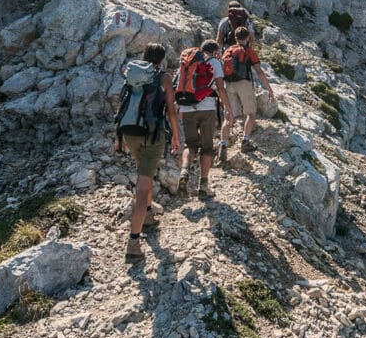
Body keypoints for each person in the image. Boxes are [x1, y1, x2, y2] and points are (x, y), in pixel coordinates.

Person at [114, 42, 180, 261]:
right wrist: (177, 136)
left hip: (130, 132)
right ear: (161, 59)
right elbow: (171, 109)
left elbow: (122, 104)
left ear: (144, 55)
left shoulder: (132, 75)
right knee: (143, 186)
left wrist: (119, 137)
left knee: (145, 173)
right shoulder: (164, 78)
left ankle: (149, 215)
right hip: (153, 135)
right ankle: (133, 243)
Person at [175, 40, 233, 199]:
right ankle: (204, 185)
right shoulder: (214, 62)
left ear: (201, 49)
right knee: (207, 146)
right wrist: (228, 108)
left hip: (186, 107)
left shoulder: (187, 61)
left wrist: (180, 107)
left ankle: (184, 170)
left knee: (190, 144)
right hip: (207, 107)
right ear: (215, 52)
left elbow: (179, 85)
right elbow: (220, 88)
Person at [217, 27, 275, 162]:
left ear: (235, 38)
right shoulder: (249, 51)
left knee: (229, 117)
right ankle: (245, 142)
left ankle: (223, 145)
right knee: (251, 114)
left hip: (228, 84)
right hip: (244, 84)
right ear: (248, 38)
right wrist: (269, 90)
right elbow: (259, 72)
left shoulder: (228, 51)